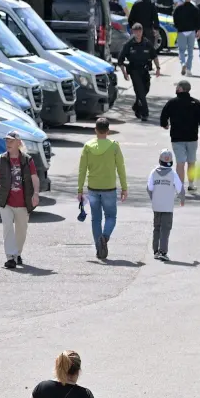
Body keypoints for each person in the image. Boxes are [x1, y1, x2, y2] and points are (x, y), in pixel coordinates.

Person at [0, 131, 41, 269]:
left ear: (18, 143)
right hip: (6, 202)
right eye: (6, 141)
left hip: (23, 203)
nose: (8, 144)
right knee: (7, 228)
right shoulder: (0, 160)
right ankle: (10, 257)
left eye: (11, 141)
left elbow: (35, 178)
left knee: (21, 230)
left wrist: (36, 194)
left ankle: (17, 254)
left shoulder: (27, 160)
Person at [77, 118, 128, 260]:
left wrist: (80, 189)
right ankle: (104, 238)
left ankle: (99, 248)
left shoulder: (88, 146)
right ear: (108, 131)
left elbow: (82, 169)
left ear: (95, 130)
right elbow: (121, 168)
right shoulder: (114, 146)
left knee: (96, 219)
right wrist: (124, 188)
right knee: (111, 216)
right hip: (109, 188)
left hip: (93, 187)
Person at [159, 79, 200, 193]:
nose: (176, 89)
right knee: (191, 161)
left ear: (180, 89)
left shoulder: (172, 102)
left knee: (180, 162)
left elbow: (164, 115)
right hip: (192, 137)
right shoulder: (195, 103)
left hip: (177, 137)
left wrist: (165, 124)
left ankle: (179, 186)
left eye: (177, 87)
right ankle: (191, 184)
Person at [147, 149, 185, 261]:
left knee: (157, 228)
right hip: (168, 207)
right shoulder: (173, 174)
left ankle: (156, 251)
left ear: (160, 160)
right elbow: (180, 188)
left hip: (156, 206)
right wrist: (182, 199)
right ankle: (163, 252)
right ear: (171, 162)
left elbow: (149, 188)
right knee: (166, 229)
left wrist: (153, 198)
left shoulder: (153, 172)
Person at [118, 23, 159, 120]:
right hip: (134, 70)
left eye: (140, 31)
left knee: (145, 90)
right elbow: (120, 60)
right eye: (136, 31)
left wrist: (158, 68)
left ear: (142, 32)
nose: (138, 33)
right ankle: (145, 113)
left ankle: (136, 107)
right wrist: (124, 73)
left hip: (145, 70)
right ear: (132, 32)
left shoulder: (146, 43)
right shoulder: (129, 44)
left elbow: (154, 56)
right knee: (140, 91)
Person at [127, 0, 161, 74]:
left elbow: (130, 18)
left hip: (138, 29)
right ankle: (148, 65)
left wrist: (132, 27)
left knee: (137, 46)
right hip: (148, 29)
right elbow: (155, 17)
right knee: (149, 47)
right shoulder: (151, 4)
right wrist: (156, 28)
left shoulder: (136, 4)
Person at [172, 0, 199, 75]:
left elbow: (174, 18)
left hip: (181, 31)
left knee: (181, 50)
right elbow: (198, 20)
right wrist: (197, 29)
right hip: (191, 31)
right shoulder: (195, 8)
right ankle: (189, 69)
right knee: (190, 51)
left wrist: (177, 26)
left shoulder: (178, 8)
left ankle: (183, 63)